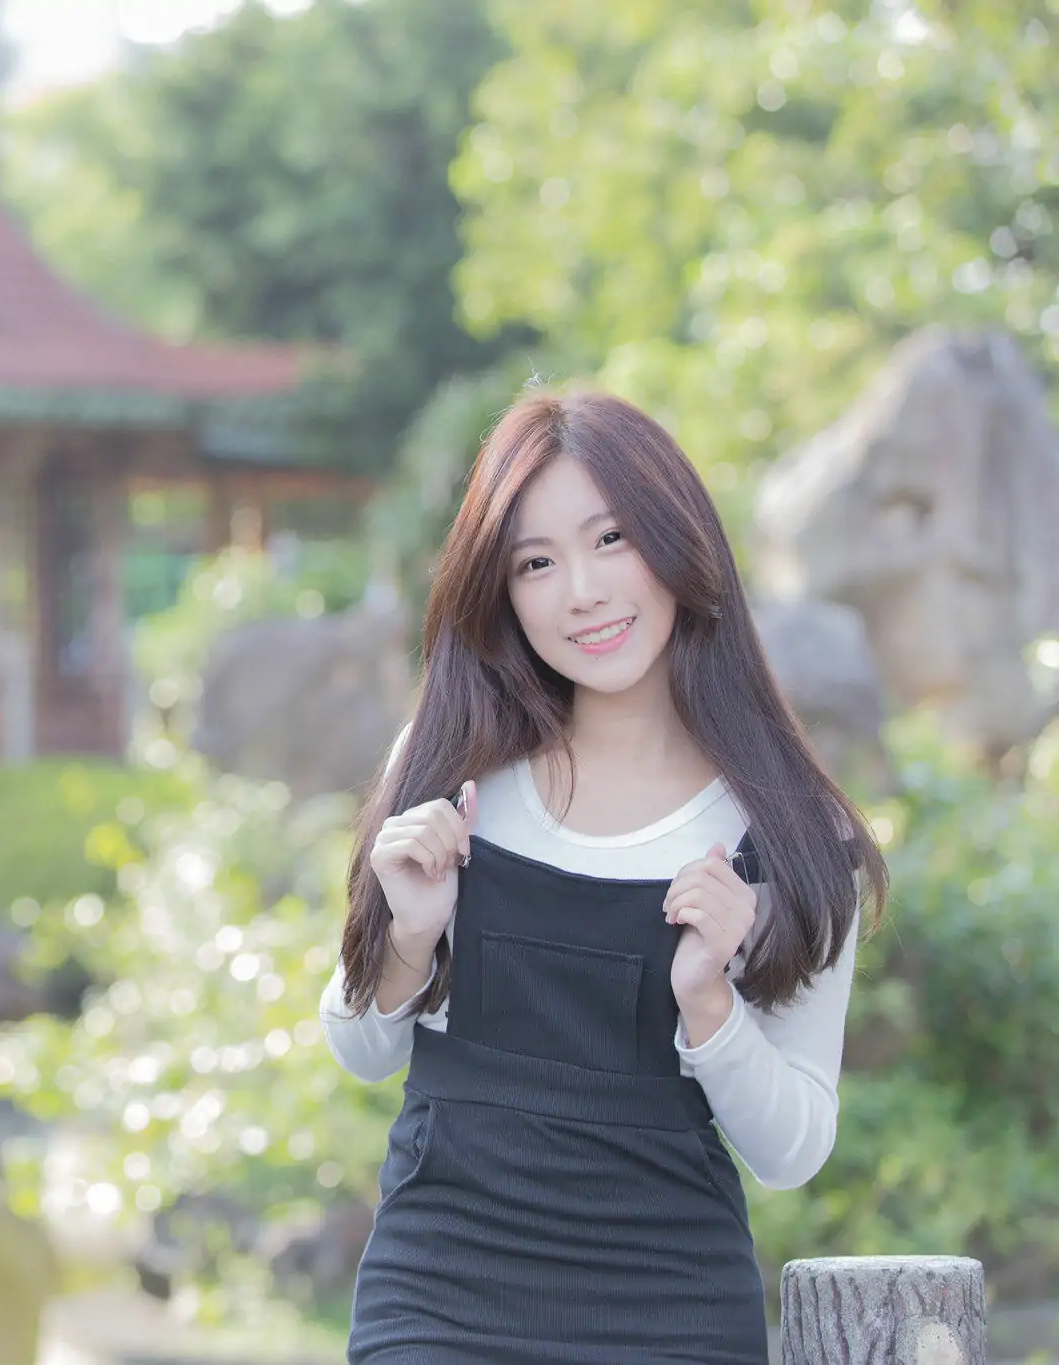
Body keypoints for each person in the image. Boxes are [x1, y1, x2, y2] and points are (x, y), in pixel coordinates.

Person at [320, 391, 888, 1364]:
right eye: (534, 563)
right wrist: (407, 935)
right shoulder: (450, 764)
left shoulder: (788, 831)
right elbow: (360, 1050)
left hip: (671, 1308)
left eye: (611, 539)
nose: (580, 591)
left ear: (679, 543)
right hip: (439, 1297)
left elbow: (793, 1150)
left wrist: (708, 1002)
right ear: (499, 591)